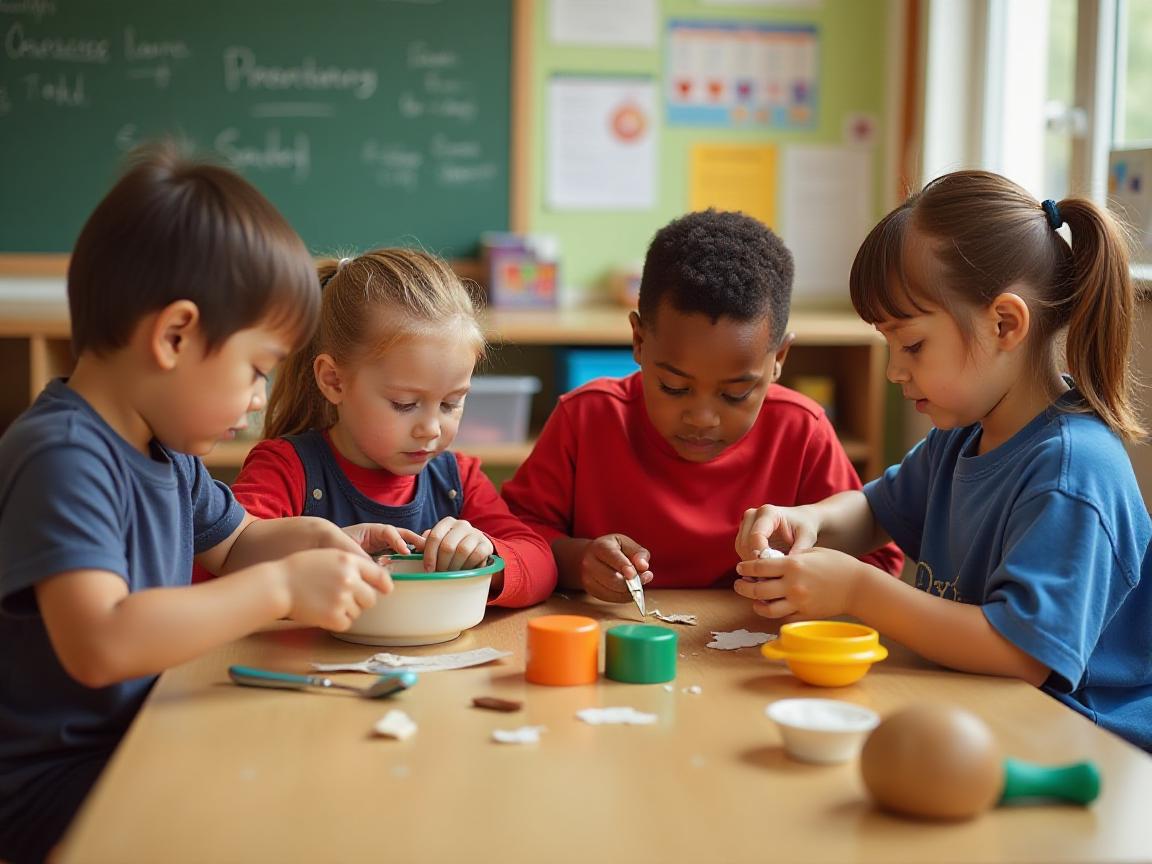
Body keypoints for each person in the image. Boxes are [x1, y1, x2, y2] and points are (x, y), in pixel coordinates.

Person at [0, 142, 399, 863]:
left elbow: (238, 540)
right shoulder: (63, 456)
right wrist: (279, 588)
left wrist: (321, 538)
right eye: (255, 372)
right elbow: (101, 643)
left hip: (139, 733)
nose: (255, 404)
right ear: (175, 335)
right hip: (51, 786)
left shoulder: (165, 451)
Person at [734, 170, 1152, 750]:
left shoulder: (1071, 472)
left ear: (1004, 324)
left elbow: (1022, 655)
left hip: (1083, 746)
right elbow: (876, 510)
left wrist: (858, 591)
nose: (894, 370)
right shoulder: (964, 436)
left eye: (912, 345)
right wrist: (811, 521)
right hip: (986, 713)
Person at [502, 209, 903, 603]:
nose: (702, 418)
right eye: (674, 387)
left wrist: (800, 574)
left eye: (735, 394)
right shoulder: (587, 417)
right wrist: (578, 562)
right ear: (638, 341)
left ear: (778, 358)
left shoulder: (800, 430)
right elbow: (516, 538)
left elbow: (876, 560)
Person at [218, 248, 556, 607]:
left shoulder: (457, 479)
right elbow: (221, 565)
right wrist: (314, 551)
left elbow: (541, 563)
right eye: (405, 404)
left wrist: (489, 553)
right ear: (333, 380)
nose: (430, 428)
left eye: (450, 403)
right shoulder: (286, 469)